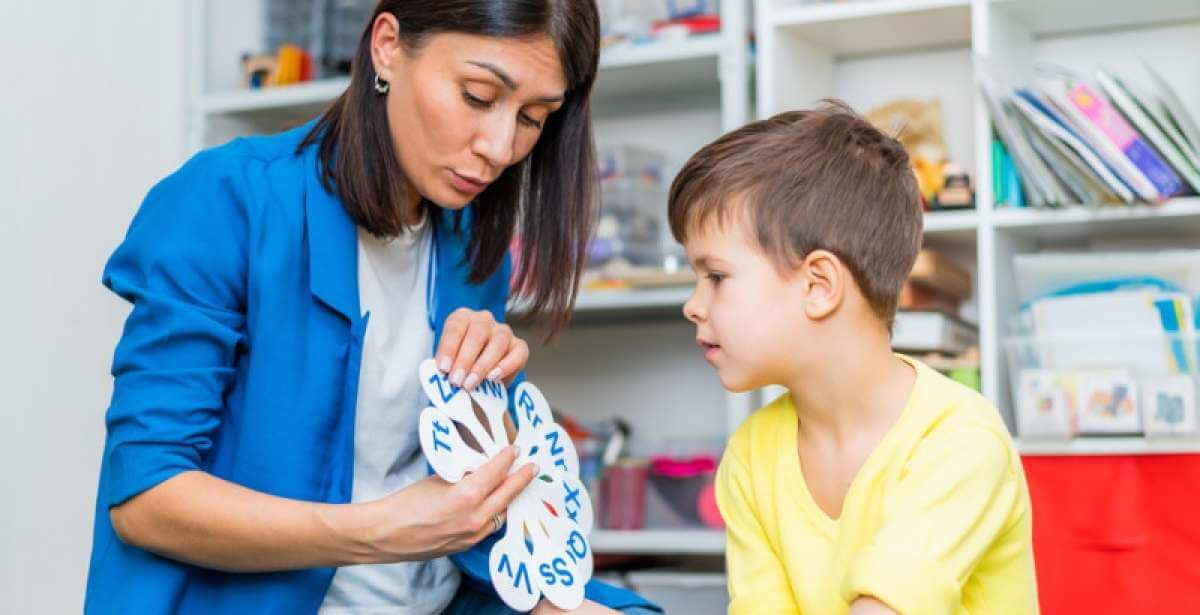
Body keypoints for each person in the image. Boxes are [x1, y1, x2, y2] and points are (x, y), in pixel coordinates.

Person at [84, 1, 657, 613]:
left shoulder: (470, 247)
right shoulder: (228, 200)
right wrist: (381, 530)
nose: (500, 147)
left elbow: (460, 493)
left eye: (534, 118)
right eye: (478, 95)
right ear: (387, 45)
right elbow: (146, 501)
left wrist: (502, 427)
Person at [668, 101, 1039, 614]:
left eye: (716, 276)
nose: (693, 305)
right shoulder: (752, 457)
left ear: (819, 286)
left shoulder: (960, 440)